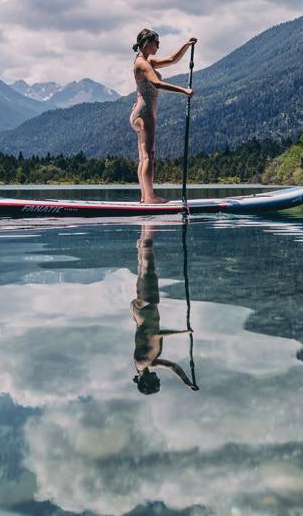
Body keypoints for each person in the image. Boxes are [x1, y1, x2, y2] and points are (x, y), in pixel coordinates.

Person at [132, 223, 198, 394]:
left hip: (146, 308)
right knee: (144, 266)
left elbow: (154, 335)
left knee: (148, 264)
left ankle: (148, 224)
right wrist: (186, 382)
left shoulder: (144, 361)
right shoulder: (146, 364)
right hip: (143, 309)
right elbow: (172, 366)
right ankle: (144, 231)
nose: (158, 379)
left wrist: (185, 332)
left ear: (147, 381)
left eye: (157, 383)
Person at [131, 29, 196, 204]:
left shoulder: (146, 61)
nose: (159, 46)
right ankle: (150, 197)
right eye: (156, 43)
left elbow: (171, 60)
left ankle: (145, 197)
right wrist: (184, 90)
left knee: (143, 157)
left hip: (139, 112)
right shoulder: (142, 64)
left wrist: (186, 46)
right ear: (146, 43)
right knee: (148, 157)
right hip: (145, 114)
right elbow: (157, 84)